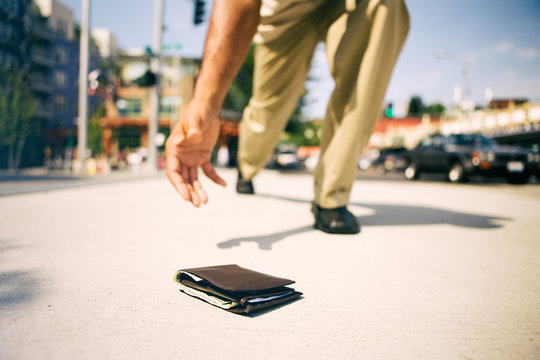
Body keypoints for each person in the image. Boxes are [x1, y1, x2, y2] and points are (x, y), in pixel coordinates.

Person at [166, 0, 409, 234]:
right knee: (268, 107)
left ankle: (331, 195)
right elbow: (240, 3)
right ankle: (248, 165)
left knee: (385, 7)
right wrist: (206, 103)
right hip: (285, 10)